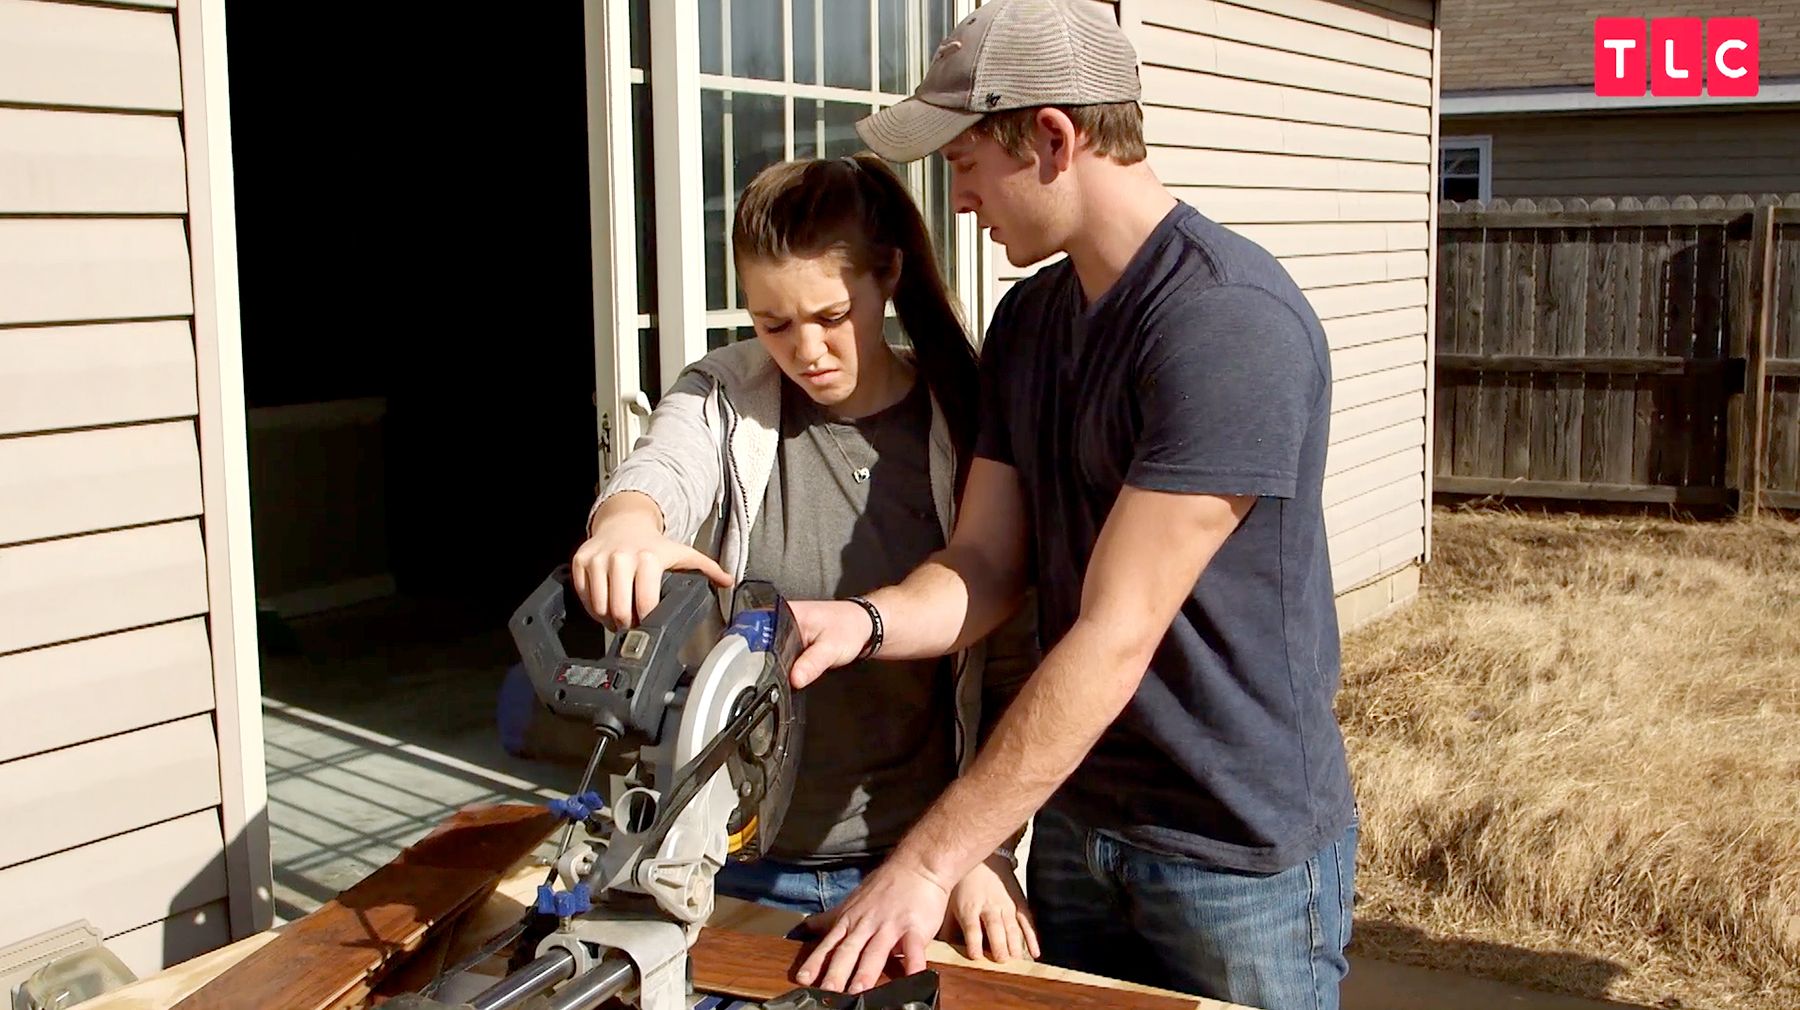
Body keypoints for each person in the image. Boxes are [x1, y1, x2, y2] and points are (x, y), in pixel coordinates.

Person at [778, 2, 1359, 1008]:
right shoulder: (1031, 321)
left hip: (1231, 852)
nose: (957, 202)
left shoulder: (1226, 324)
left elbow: (1115, 631)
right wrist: (862, 620)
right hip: (1079, 821)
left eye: (965, 164)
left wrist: (927, 863)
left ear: (1052, 138)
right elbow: (987, 562)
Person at [568, 153, 1042, 964]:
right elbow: (660, 471)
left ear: (887, 276)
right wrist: (626, 526)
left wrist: (982, 850)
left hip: (909, 867)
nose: (807, 350)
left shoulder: (964, 423)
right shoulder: (723, 396)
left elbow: (1007, 665)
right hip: (729, 864)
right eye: (773, 324)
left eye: (830, 315)